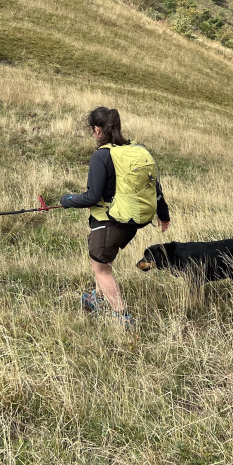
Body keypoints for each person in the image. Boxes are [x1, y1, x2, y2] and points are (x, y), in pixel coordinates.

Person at [60, 107, 170, 326]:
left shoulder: (101, 156)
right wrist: (163, 213)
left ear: (97, 130)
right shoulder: (134, 151)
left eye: (92, 130)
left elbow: (92, 196)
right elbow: (154, 186)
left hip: (109, 221)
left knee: (102, 269)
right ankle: (97, 298)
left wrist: (67, 200)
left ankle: (122, 317)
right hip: (130, 221)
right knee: (101, 259)